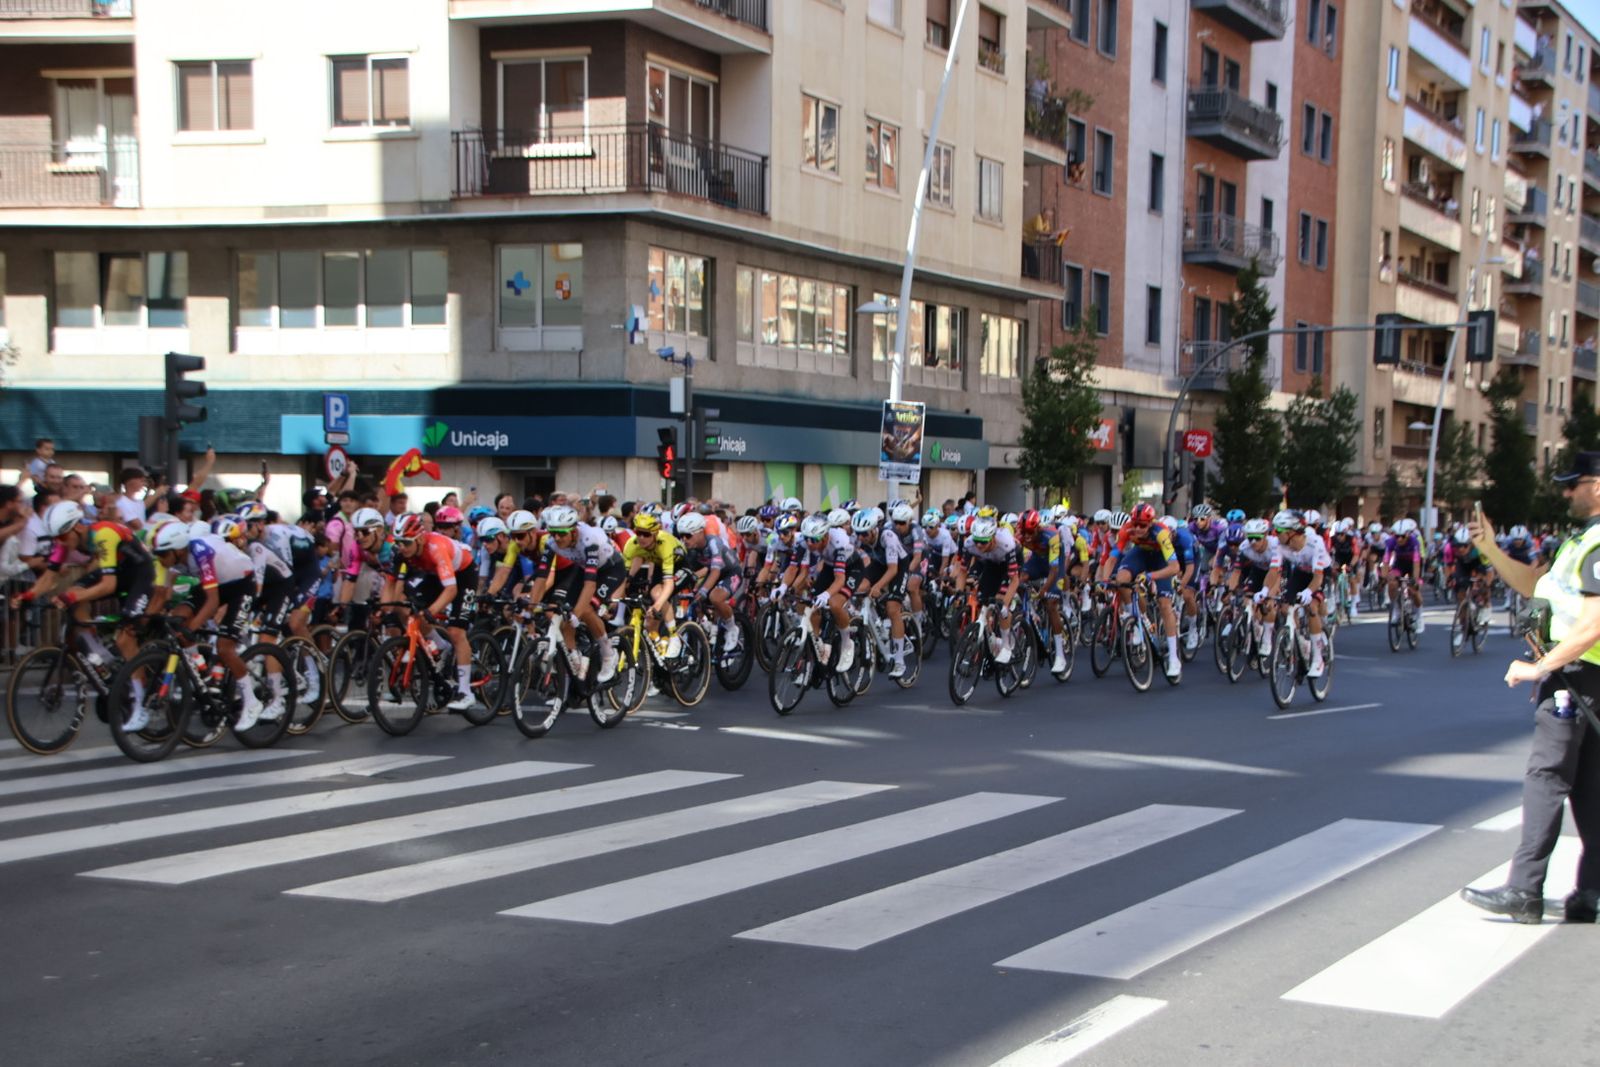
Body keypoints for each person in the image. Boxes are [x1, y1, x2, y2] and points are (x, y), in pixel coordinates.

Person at [1460, 452, 1600, 924]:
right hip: (1581, 677)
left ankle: (1524, 889)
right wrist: (1493, 550)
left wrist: (1541, 668)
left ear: (1597, 486)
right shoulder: (1579, 541)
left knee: (1546, 778)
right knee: (1590, 788)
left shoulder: (1599, 542)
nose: (1564, 492)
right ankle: (1590, 892)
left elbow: (1594, 623)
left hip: (1576, 676)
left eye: (1572, 484)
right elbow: (1534, 584)